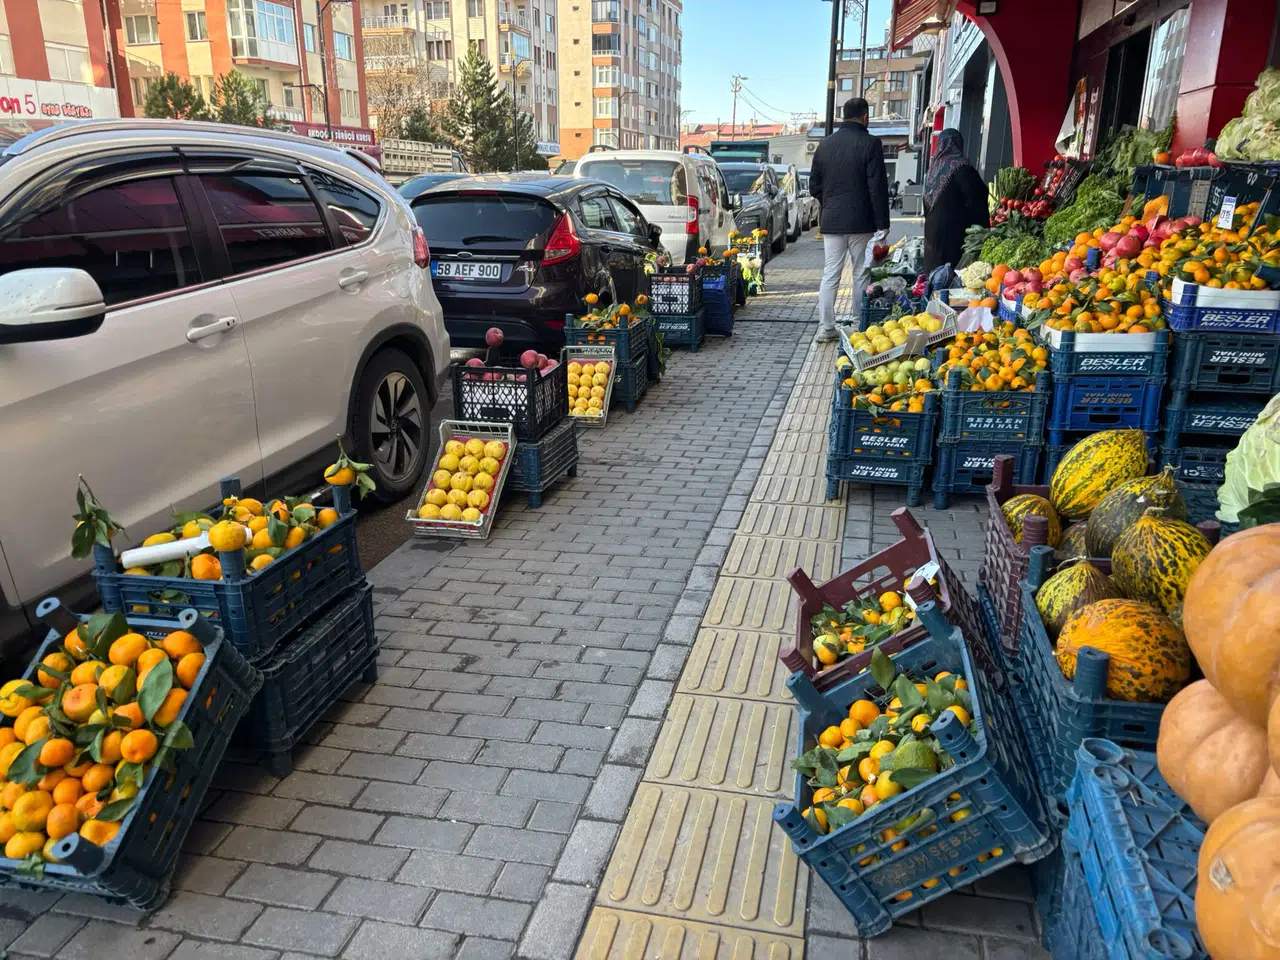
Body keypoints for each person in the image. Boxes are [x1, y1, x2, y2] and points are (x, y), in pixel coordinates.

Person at [809, 98, 890, 343]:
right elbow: (877, 186)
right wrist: (882, 223)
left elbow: (814, 186)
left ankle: (826, 328)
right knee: (861, 273)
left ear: (843, 116)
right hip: (861, 222)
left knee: (830, 274)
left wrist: (830, 203)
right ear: (865, 117)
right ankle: (858, 325)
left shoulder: (824, 145)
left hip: (832, 222)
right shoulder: (871, 143)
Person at [923, 128, 990, 273]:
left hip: (932, 235)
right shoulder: (962, 167)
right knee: (950, 276)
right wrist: (983, 232)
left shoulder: (933, 169)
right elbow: (977, 199)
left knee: (935, 275)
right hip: (954, 236)